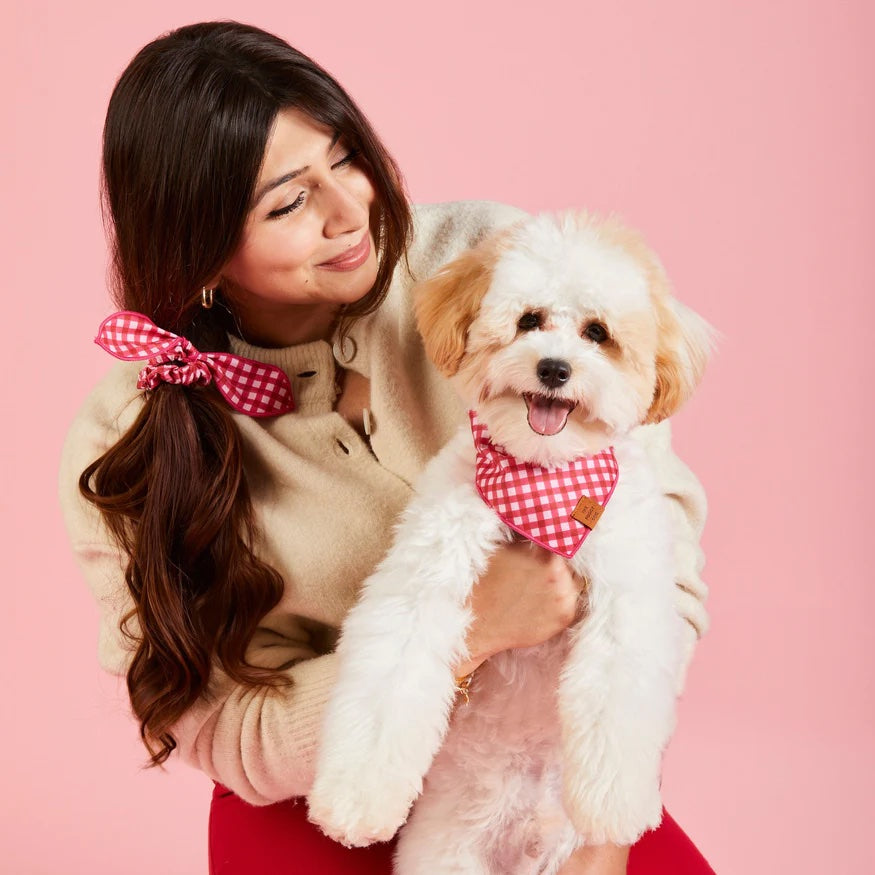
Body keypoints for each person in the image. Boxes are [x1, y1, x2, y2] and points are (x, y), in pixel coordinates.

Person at [58, 21, 715, 875]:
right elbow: (218, 727)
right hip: (314, 786)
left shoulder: (500, 262)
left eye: (345, 156)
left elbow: (658, 559)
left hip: (551, 753)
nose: (346, 213)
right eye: (289, 202)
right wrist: (468, 632)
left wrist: (601, 825)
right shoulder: (126, 435)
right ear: (201, 249)